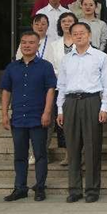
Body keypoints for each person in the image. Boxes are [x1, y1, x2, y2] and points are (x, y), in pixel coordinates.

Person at [56, 22, 107, 203]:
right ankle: (74, 189)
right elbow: (61, 85)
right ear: (71, 36)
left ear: (89, 35)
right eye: (75, 33)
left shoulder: (101, 57)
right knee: (72, 148)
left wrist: (104, 107)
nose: (78, 36)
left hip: (92, 101)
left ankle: (92, 189)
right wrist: (60, 109)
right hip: (70, 102)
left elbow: (106, 85)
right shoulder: (66, 59)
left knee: (92, 147)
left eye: (82, 33)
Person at [1, 31, 56, 202]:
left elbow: (50, 90)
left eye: (31, 42)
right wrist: (4, 114)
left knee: (40, 154)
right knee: (20, 155)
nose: (27, 45)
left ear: (38, 46)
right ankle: (20, 188)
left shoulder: (45, 66)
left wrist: (47, 112)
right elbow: (6, 91)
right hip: (18, 118)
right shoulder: (12, 67)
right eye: (24, 42)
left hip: (38, 117)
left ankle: (40, 187)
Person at [43, 13, 77, 166]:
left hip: (78, 87)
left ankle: (79, 153)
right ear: (60, 24)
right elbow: (50, 66)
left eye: (70, 21)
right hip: (59, 87)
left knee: (77, 122)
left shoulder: (81, 41)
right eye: (64, 21)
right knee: (62, 121)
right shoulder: (54, 45)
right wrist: (63, 75)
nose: (67, 23)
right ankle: (67, 154)